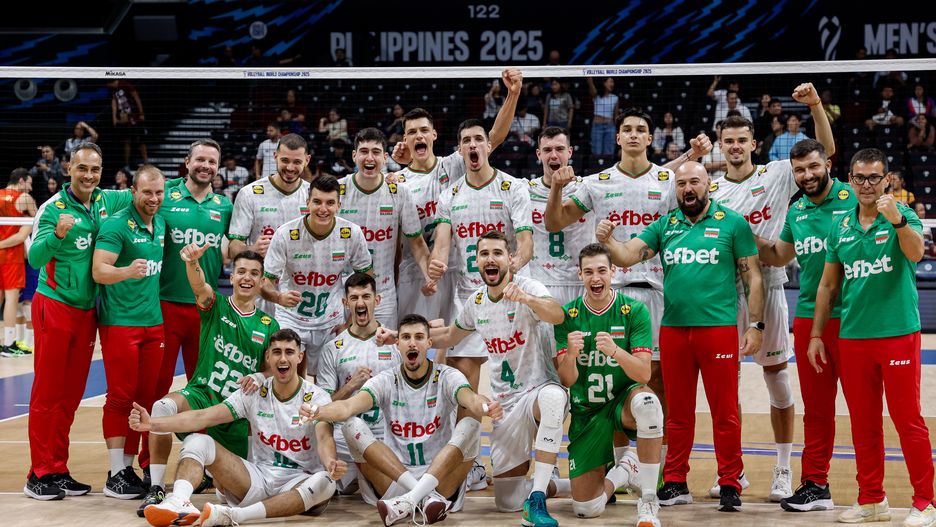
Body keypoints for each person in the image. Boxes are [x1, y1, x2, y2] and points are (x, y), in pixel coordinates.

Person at [544, 107, 711, 460]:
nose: (633, 134)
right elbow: (555, 222)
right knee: (614, 380)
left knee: (660, 381)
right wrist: (556, 188)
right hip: (612, 293)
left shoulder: (668, 182)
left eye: (640, 129)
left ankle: (660, 467)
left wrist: (696, 157)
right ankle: (622, 465)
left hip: (660, 291)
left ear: (650, 138)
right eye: (627, 129)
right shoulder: (597, 183)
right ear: (617, 137)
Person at [598, 161, 764, 513]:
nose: (688, 189)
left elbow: (753, 277)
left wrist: (756, 325)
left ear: (708, 185)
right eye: (682, 183)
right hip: (674, 330)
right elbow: (628, 256)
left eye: (695, 182)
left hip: (718, 330)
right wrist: (608, 240)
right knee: (676, 413)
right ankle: (675, 481)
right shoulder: (665, 225)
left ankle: (730, 482)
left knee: (725, 412)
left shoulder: (733, 223)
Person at [707, 82, 836, 502]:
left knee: (777, 378)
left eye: (742, 140)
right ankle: (733, 470)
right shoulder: (712, 191)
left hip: (772, 284)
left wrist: (815, 105)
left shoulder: (777, 174)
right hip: (726, 293)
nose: (735, 146)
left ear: (754, 144)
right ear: (720, 146)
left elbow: (827, 150)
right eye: (728, 141)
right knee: (726, 384)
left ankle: (783, 468)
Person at [809, 148, 936, 525]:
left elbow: (916, 253)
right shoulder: (840, 226)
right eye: (860, 178)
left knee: (907, 418)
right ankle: (872, 499)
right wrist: (816, 334)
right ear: (850, 180)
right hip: (853, 337)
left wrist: (896, 220)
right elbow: (827, 285)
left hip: (897, 333)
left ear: (887, 180)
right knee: (863, 422)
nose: (867, 184)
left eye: (874, 178)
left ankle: (925, 502)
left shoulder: (903, 214)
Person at [130, 329, 341, 527]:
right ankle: (178, 501)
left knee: (326, 481)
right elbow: (203, 417)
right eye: (277, 352)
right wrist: (152, 424)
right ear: (268, 357)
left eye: (289, 352)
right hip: (259, 480)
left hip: (299, 482)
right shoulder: (253, 392)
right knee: (197, 441)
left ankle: (234, 515)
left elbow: (324, 438)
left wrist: (330, 461)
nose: (283, 359)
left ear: (300, 357)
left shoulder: (317, 397)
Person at [429, 231, 569, 527]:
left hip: (537, 391)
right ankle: (561, 485)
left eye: (497, 253)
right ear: (477, 261)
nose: (490, 259)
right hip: (505, 406)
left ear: (510, 258)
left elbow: (557, 315)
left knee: (554, 398)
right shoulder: (476, 301)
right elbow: (450, 336)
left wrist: (527, 299)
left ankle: (538, 498)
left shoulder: (528, 286)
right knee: (507, 502)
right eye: (484, 254)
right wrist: (402, 337)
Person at [308, 314, 502, 526]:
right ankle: (421, 496)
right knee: (351, 425)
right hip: (397, 479)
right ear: (397, 344)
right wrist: (319, 410)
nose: (412, 343)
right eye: (406, 337)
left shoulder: (447, 376)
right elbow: (348, 407)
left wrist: (486, 407)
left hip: (440, 479)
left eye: (419, 337)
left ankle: (409, 501)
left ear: (429, 343)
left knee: (471, 423)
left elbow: (471, 398)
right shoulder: (385, 380)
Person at [25, 142, 133, 500]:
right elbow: (35, 258)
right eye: (82, 168)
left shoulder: (106, 200)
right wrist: (57, 235)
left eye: (95, 169)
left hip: (87, 312)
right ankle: (38, 473)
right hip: (55, 306)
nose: (89, 175)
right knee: (47, 393)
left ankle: (58, 468)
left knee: (70, 396)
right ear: (68, 168)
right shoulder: (52, 208)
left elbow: (143, 190)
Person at [137, 245, 279, 516]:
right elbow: (199, 285)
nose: (247, 277)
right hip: (202, 394)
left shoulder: (268, 325)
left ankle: (207, 475)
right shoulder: (217, 304)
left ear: (262, 281)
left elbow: (274, 370)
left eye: (254, 273)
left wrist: (260, 375)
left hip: (234, 412)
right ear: (232, 277)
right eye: (241, 272)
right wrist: (192, 262)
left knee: (232, 494)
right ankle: (156, 487)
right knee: (162, 407)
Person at [753, 139, 856, 512]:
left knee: (863, 410)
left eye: (813, 166)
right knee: (817, 409)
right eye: (799, 170)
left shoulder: (853, 198)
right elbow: (779, 254)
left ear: (827, 163)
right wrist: (743, 232)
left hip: (856, 319)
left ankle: (871, 492)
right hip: (812, 319)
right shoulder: (796, 211)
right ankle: (815, 484)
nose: (807, 175)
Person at [391, 69, 522, 341]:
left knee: (452, 344)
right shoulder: (397, 182)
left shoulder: (453, 164)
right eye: (412, 132)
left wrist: (512, 94)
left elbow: (494, 136)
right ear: (405, 140)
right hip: (415, 274)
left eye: (424, 130)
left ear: (434, 135)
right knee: (413, 341)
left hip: (455, 270)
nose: (418, 136)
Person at [144, 139, 233, 499]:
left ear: (218, 167)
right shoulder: (164, 196)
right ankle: (150, 470)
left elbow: (236, 244)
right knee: (157, 390)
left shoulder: (224, 206)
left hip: (205, 311)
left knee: (207, 391)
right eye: (200, 159)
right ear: (187, 161)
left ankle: (204, 465)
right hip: (165, 306)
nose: (206, 166)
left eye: (212, 162)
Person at [553, 243, 664, 526]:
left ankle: (648, 501)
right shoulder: (567, 316)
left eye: (602, 270)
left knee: (649, 402)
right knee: (586, 509)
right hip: (587, 411)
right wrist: (572, 355)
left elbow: (644, 375)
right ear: (579, 275)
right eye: (589, 272)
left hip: (622, 401)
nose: (596, 278)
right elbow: (567, 380)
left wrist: (615, 351)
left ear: (613, 271)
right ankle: (625, 468)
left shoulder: (634, 311)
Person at [428, 118, 533, 395]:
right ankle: (467, 425)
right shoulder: (449, 196)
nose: (472, 145)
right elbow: (441, 245)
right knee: (461, 374)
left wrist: (516, 263)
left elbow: (526, 242)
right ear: (460, 150)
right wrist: (435, 266)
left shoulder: (513, 187)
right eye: (466, 141)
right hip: (469, 295)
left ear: (488, 145)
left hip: (510, 294)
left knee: (519, 380)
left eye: (478, 139)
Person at [91, 165, 166, 499]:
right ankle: (115, 474)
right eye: (147, 192)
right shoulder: (116, 224)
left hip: (153, 322)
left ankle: (128, 468)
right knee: (120, 397)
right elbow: (99, 271)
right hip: (121, 322)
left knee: (145, 398)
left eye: (159, 192)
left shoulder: (160, 223)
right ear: (133, 191)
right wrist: (126, 271)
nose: (153, 198)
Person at [261, 175, 372, 377]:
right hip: (291, 318)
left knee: (327, 381)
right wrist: (278, 297)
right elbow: (265, 282)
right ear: (307, 203)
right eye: (317, 202)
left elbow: (366, 279)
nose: (323, 209)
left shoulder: (352, 233)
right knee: (287, 375)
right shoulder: (285, 234)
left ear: (339, 205)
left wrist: (351, 322)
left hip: (330, 320)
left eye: (330, 203)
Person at [316, 272, 402, 494]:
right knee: (321, 485)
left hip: (387, 435)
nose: (360, 303)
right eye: (354, 298)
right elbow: (324, 406)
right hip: (345, 437)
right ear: (345, 303)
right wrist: (349, 386)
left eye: (366, 296)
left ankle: (366, 479)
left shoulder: (396, 343)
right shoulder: (333, 348)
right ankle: (356, 478)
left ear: (377, 300)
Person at [337, 127, 430, 328]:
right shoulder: (338, 191)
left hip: (382, 293)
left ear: (385, 158)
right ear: (354, 156)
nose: (369, 157)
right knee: (341, 347)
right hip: (342, 291)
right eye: (364, 151)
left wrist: (429, 276)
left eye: (376, 152)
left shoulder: (399, 192)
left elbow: (416, 242)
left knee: (384, 347)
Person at [229, 133, 311, 314]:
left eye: (297, 162)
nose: (290, 167)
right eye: (285, 160)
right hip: (259, 293)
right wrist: (252, 249)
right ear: (275, 156)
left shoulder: (313, 196)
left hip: (300, 292)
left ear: (307, 160)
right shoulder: (250, 193)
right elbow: (233, 248)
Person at [526, 127, 595, 306]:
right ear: (538, 154)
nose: (554, 155)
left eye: (560, 149)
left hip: (580, 283)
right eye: (547, 150)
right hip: (540, 284)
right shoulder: (524, 190)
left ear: (570, 152)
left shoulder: (588, 187)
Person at [0, 168, 36, 357]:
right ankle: (8, 345)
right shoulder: (24, 199)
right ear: (21, 181)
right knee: (11, 300)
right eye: (29, 183)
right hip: (11, 257)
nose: (30, 189)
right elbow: (36, 222)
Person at [109, 79, 147, 167]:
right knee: (127, 141)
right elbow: (114, 102)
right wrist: (114, 117)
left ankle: (146, 162)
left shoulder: (125, 84)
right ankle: (127, 164)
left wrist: (141, 113)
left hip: (135, 117)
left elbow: (136, 96)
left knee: (140, 140)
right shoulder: (113, 91)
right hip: (125, 120)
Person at [587, 77, 620, 157]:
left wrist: (617, 130)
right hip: (597, 127)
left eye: (613, 82)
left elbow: (616, 116)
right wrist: (589, 78)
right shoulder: (596, 96)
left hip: (610, 127)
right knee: (596, 152)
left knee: (609, 153)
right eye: (610, 82)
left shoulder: (615, 98)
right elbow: (590, 84)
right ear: (604, 83)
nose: (612, 84)